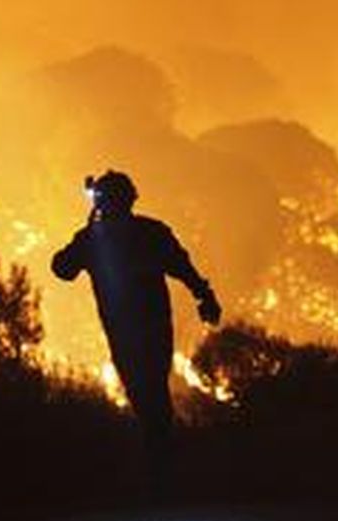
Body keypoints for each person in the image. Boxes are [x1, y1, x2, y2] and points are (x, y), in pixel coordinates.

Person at [52, 170, 222, 473]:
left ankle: (160, 460)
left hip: (123, 330)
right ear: (131, 199)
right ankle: (165, 458)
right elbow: (183, 268)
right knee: (155, 386)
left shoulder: (92, 239)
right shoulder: (151, 232)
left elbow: (62, 269)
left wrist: (90, 227)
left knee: (141, 390)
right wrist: (204, 297)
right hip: (154, 324)